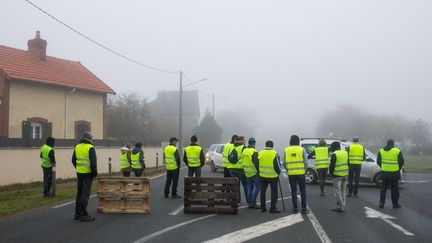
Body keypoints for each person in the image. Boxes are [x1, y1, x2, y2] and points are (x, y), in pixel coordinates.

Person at [72, 132, 97, 222]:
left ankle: (77, 214)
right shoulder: (90, 148)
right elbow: (93, 163)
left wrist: (78, 168)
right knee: (85, 195)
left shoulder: (77, 146)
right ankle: (83, 215)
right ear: (89, 139)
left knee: (79, 194)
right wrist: (94, 174)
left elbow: (73, 160)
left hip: (79, 173)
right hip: (88, 174)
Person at [284, 135, 309, 214]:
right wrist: (304, 169)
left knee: (293, 191)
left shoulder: (286, 150)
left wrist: (288, 169)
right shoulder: (302, 149)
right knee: (303, 191)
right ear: (298, 141)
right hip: (301, 173)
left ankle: (295, 208)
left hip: (291, 174)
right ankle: (304, 209)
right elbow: (306, 162)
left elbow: (284, 163)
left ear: (290, 141)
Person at [377, 139, 404, 209]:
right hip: (394, 172)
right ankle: (395, 204)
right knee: (394, 189)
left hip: (384, 172)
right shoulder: (397, 151)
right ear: (393, 144)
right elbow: (401, 162)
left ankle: (381, 203)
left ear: (387, 143)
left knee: (383, 188)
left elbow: (378, 161)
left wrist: (383, 167)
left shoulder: (381, 151)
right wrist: (398, 168)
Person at [258, 140, 281, 213]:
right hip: (273, 176)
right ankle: (273, 208)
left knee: (263, 192)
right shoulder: (275, 153)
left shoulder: (260, 153)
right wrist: (278, 173)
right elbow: (277, 165)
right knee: (274, 192)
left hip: (262, 175)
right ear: (272, 146)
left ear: (266, 145)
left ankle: (263, 208)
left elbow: (258, 163)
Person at [228, 136, 249, 205]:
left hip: (232, 169)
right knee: (246, 186)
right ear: (241, 141)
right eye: (244, 140)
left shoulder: (231, 147)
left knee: (236, 187)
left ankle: (237, 201)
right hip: (241, 170)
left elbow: (229, 157)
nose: (245, 141)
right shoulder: (243, 147)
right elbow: (247, 157)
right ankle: (249, 201)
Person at [329, 141, 348, 213]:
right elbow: (347, 163)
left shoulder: (334, 154)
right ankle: (342, 205)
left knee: (337, 191)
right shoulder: (345, 153)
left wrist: (332, 174)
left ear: (334, 147)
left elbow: (332, 166)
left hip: (337, 175)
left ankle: (341, 206)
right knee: (343, 190)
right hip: (345, 174)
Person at [242, 137, 260, 209]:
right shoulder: (254, 151)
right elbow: (256, 163)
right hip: (254, 172)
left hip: (247, 172)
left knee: (250, 187)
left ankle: (249, 202)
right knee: (258, 186)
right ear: (254, 143)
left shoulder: (244, 150)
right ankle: (253, 202)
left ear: (248, 142)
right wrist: (259, 171)